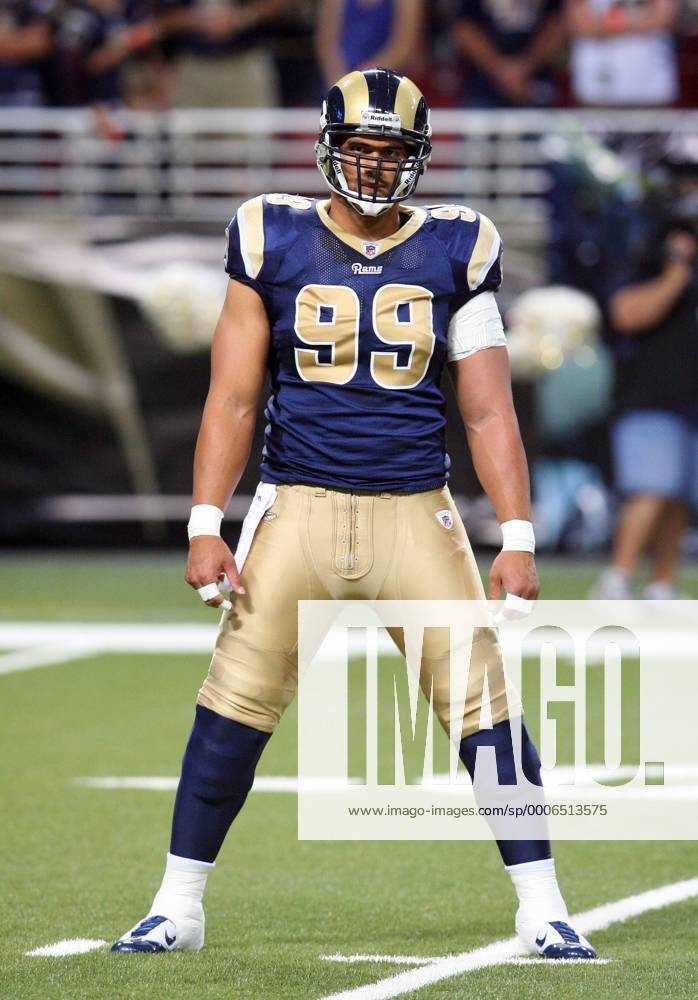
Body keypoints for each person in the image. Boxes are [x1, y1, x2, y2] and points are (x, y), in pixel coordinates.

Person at [111, 67, 595, 961]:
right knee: (233, 705)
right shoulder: (270, 232)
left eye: (392, 152)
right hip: (295, 507)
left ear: (419, 157)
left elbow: (489, 409)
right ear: (330, 145)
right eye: (362, 148)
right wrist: (204, 521)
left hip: (418, 513)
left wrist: (517, 534)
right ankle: (178, 905)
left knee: (483, 707)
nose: (374, 168)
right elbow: (231, 397)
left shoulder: (460, 244)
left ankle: (543, 908)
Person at [593, 213, 697, 600]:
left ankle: (661, 585)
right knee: (651, 489)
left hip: (690, 403)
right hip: (649, 399)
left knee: (679, 497)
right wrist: (676, 272)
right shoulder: (639, 267)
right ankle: (617, 579)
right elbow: (627, 314)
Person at [450, 0, 564, 108]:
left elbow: (557, 21)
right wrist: (499, 69)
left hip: (536, 85)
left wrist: (525, 66)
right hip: (482, 88)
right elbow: (463, 26)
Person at [566, 0, 679, 107]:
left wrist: (606, 22)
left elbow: (663, 18)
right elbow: (580, 23)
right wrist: (638, 20)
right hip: (595, 89)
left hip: (651, 90)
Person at [315, 0, 424, 89]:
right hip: (339, 79)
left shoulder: (407, 3)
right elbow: (327, 46)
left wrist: (369, 75)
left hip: (388, 82)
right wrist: (341, 84)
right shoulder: (335, 3)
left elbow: (404, 46)